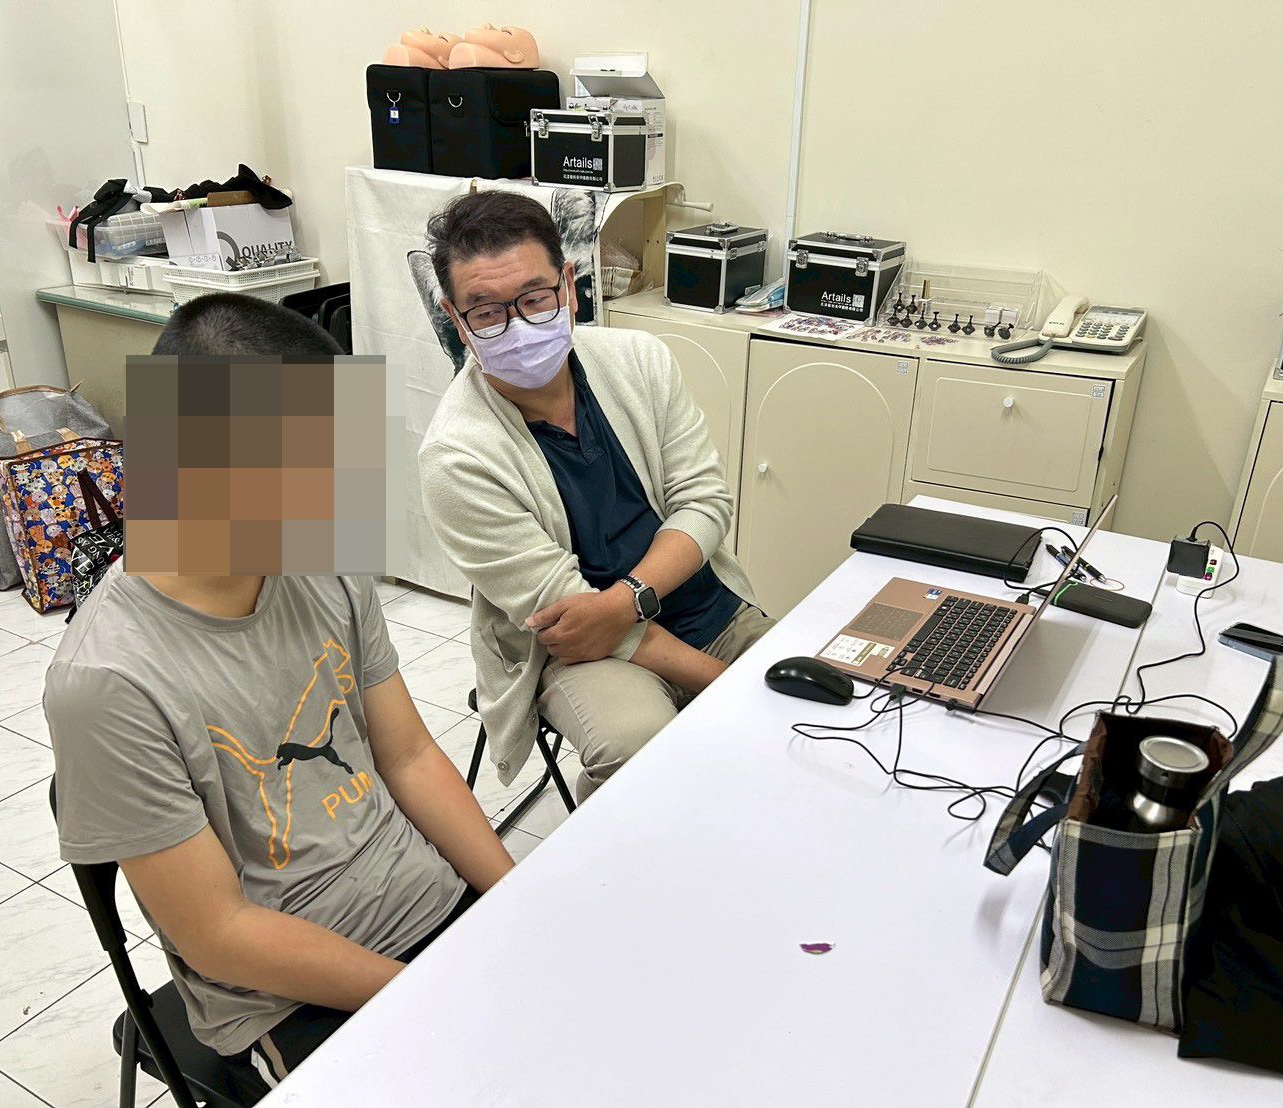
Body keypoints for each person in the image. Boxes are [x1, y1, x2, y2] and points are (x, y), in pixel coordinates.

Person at [47, 293, 513, 1100]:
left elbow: (408, 756)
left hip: (428, 903)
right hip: (292, 995)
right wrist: (426, 997)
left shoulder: (319, 564)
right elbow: (220, 935)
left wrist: (516, 900)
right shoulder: (107, 682)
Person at [419, 191, 773, 801]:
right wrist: (728, 688)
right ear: (456, 318)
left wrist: (630, 599)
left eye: (534, 297)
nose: (517, 325)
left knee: (830, 709)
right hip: (577, 652)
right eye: (487, 311)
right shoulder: (456, 458)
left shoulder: (639, 361)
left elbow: (703, 502)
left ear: (569, 286)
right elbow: (577, 622)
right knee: (642, 754)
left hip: (698, 602)